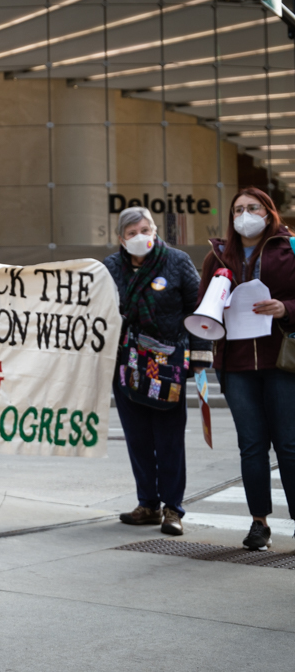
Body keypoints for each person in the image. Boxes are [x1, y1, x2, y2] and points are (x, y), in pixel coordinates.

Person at [104, 207, 209, 536]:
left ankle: (172, 509)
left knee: (168, 439)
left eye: (145, 230)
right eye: (132, 232)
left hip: (166, 364)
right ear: (121, 238)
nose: (140, 237)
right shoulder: (109, 268)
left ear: (156, 230)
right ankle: (147, 503)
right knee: (137, 438)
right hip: (126, 364)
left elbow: (197, 306)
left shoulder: (176, 261)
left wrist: (200, 357)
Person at [199, 189, 295, 550]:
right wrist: (213, 311)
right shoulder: (218, 255)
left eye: (252, 208)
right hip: (236, 364)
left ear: (269, 212)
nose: (245, 215)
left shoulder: (290, 249)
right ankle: (259, 523)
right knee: (252, 446)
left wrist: (285, 308)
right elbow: (202, 306)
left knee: (289, 444)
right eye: (238, 209)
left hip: (282, 361)